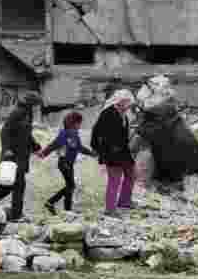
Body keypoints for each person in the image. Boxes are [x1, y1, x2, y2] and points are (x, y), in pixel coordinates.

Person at [0, 92, 42, 222]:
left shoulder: (28, 114)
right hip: (13, 156)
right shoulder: (18, 112)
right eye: (36, 104)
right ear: (31, 103)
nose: (37, 107)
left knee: (9, 185)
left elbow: (26, 133)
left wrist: (35, 146)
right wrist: (7, 149)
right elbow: (5, 131)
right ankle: (16, 215)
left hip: (21, 156)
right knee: (18, 185)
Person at [37, 111, 95, 215]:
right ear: (73, 123)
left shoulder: (74, 134)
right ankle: (51, 202)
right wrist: (44, 153)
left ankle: (67, 209)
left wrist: (91, 153)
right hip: (64, 163)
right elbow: (54, 144)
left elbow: (79, 147)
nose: (80, 125)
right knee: (71, 186)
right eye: (79, 123)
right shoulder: (65, 133)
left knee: (70, 186)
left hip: (69, 163)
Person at [90, 89, 137, 217]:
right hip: (112, 153)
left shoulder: (124, 115)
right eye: (127, 102)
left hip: (123, 152)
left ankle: (124, 201)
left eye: (129, 102)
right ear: (120, 101)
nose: (129, 105)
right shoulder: (108, 113)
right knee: (114, 180)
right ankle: (110, 209)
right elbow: (96, 132)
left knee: (131, 174)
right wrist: (98, 150)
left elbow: (123, 135)